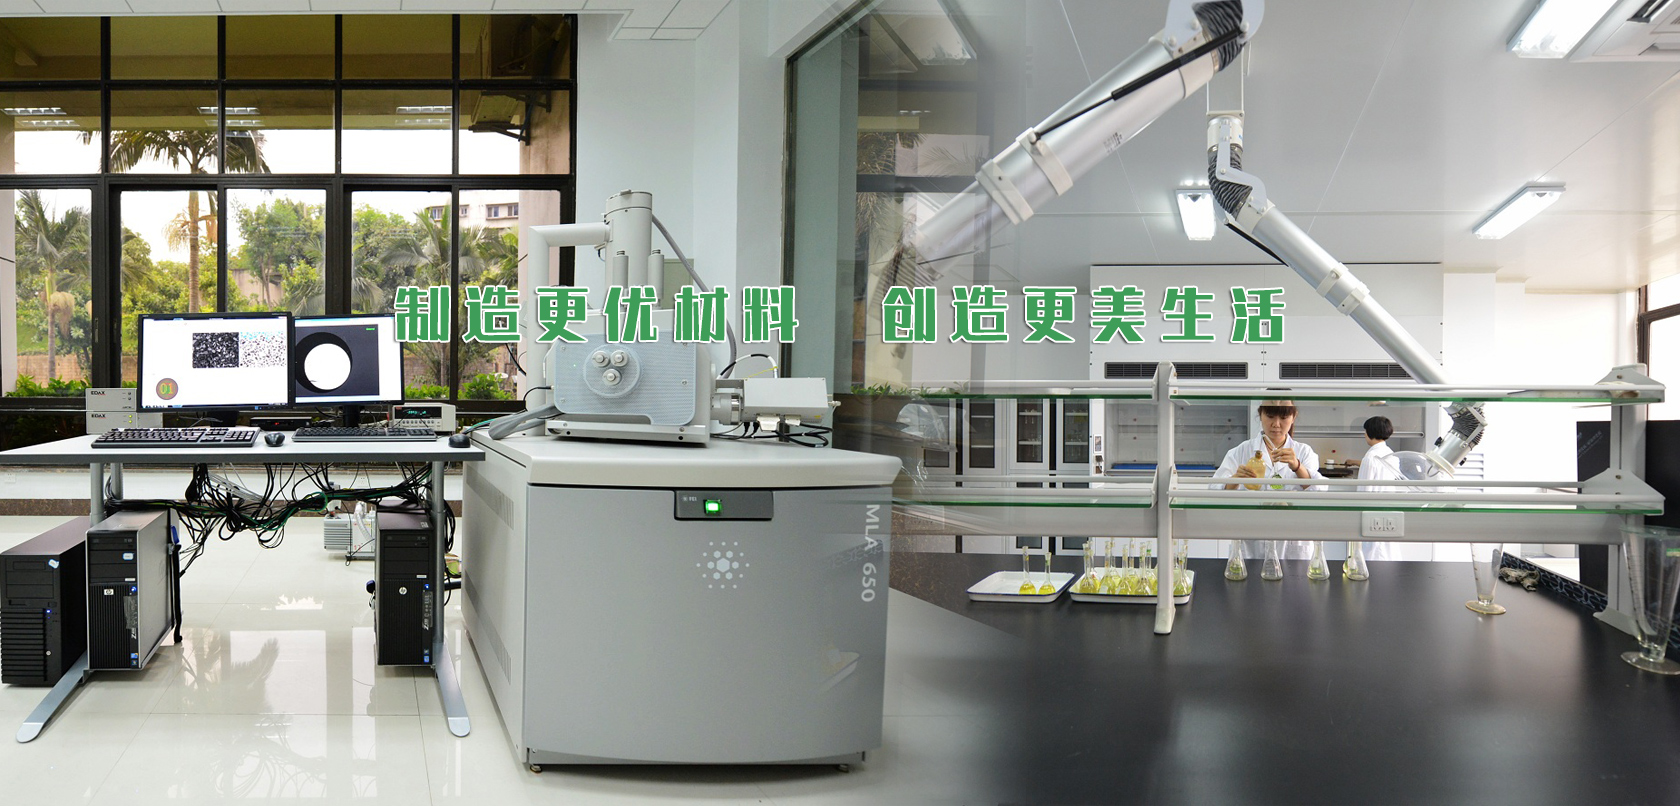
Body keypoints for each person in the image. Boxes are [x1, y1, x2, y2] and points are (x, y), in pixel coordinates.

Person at [1214, 400, 1323, 559]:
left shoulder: (1304, 452)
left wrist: (1297, 466)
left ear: (1293, 417)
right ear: (1260, 415)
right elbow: (1215, 491)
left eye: (1283, 417)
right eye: (1270, 416)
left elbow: (1317, 492)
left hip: (1292, 539)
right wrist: (1236, 479)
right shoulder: (1241, 451)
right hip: (1252, 539)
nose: (1276, 424)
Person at [1356, 415, 1402, 560]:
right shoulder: (1392, 455)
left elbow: (1364, 491)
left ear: (1369, 432)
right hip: (1389, 512)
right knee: (1387, 554)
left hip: (1372, 514)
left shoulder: (1370, 458)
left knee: (1373, 555)